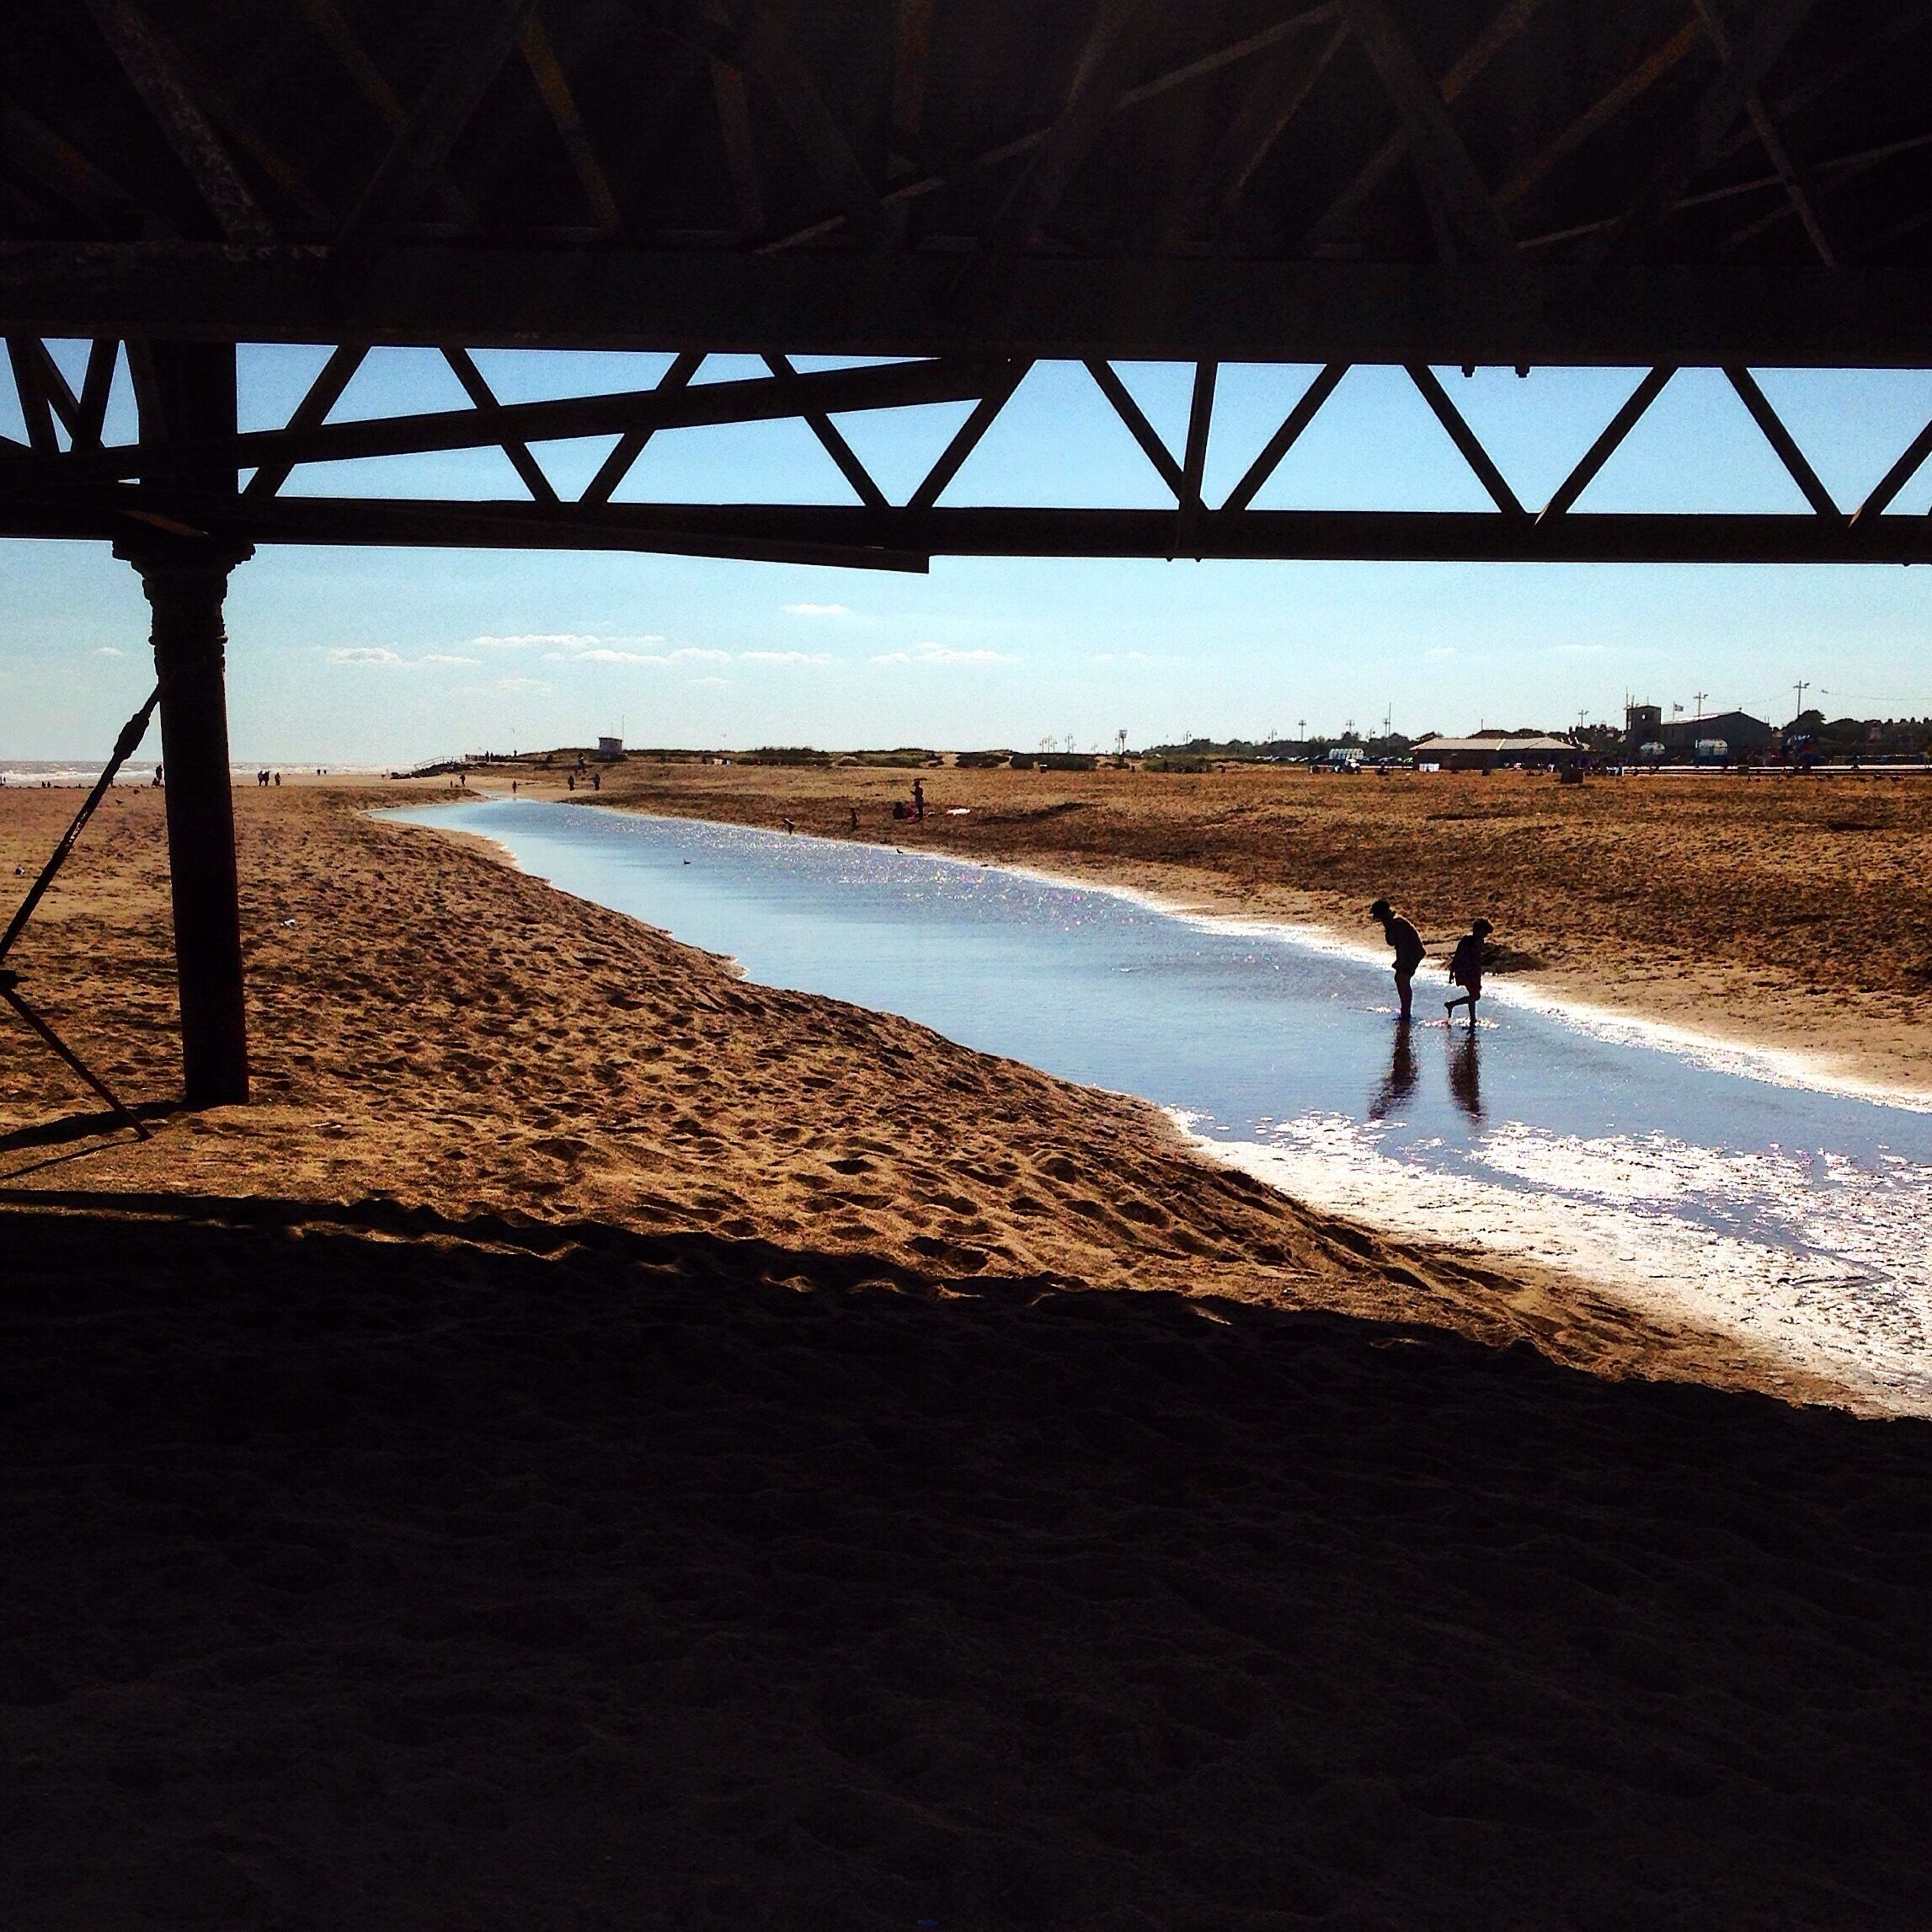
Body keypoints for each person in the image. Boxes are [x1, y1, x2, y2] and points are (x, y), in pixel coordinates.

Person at [1369, 898, 1425, 1021]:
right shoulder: (1394, 923)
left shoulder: (1397, 924)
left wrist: (1401, 962)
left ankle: (1406, 1012)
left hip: (1412, 954)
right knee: (1401, 979)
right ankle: (1405, 1010)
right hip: (1409, 954)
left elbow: (1400, 943)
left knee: (1402, 979)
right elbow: (1393, 941)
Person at [1445, 918, 1492, 1027]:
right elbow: (1477, 960)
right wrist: (1477, 976)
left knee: (1472, 995)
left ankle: (1473, 1018)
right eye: (1485, 933)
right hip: (1471, 972)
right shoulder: (1478, 942)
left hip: (1461, 970)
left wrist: (1452, 972)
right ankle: (1452, 1004)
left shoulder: (1465, 940)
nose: (1485, 936)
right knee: (1476, 996)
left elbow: (1456, 956)